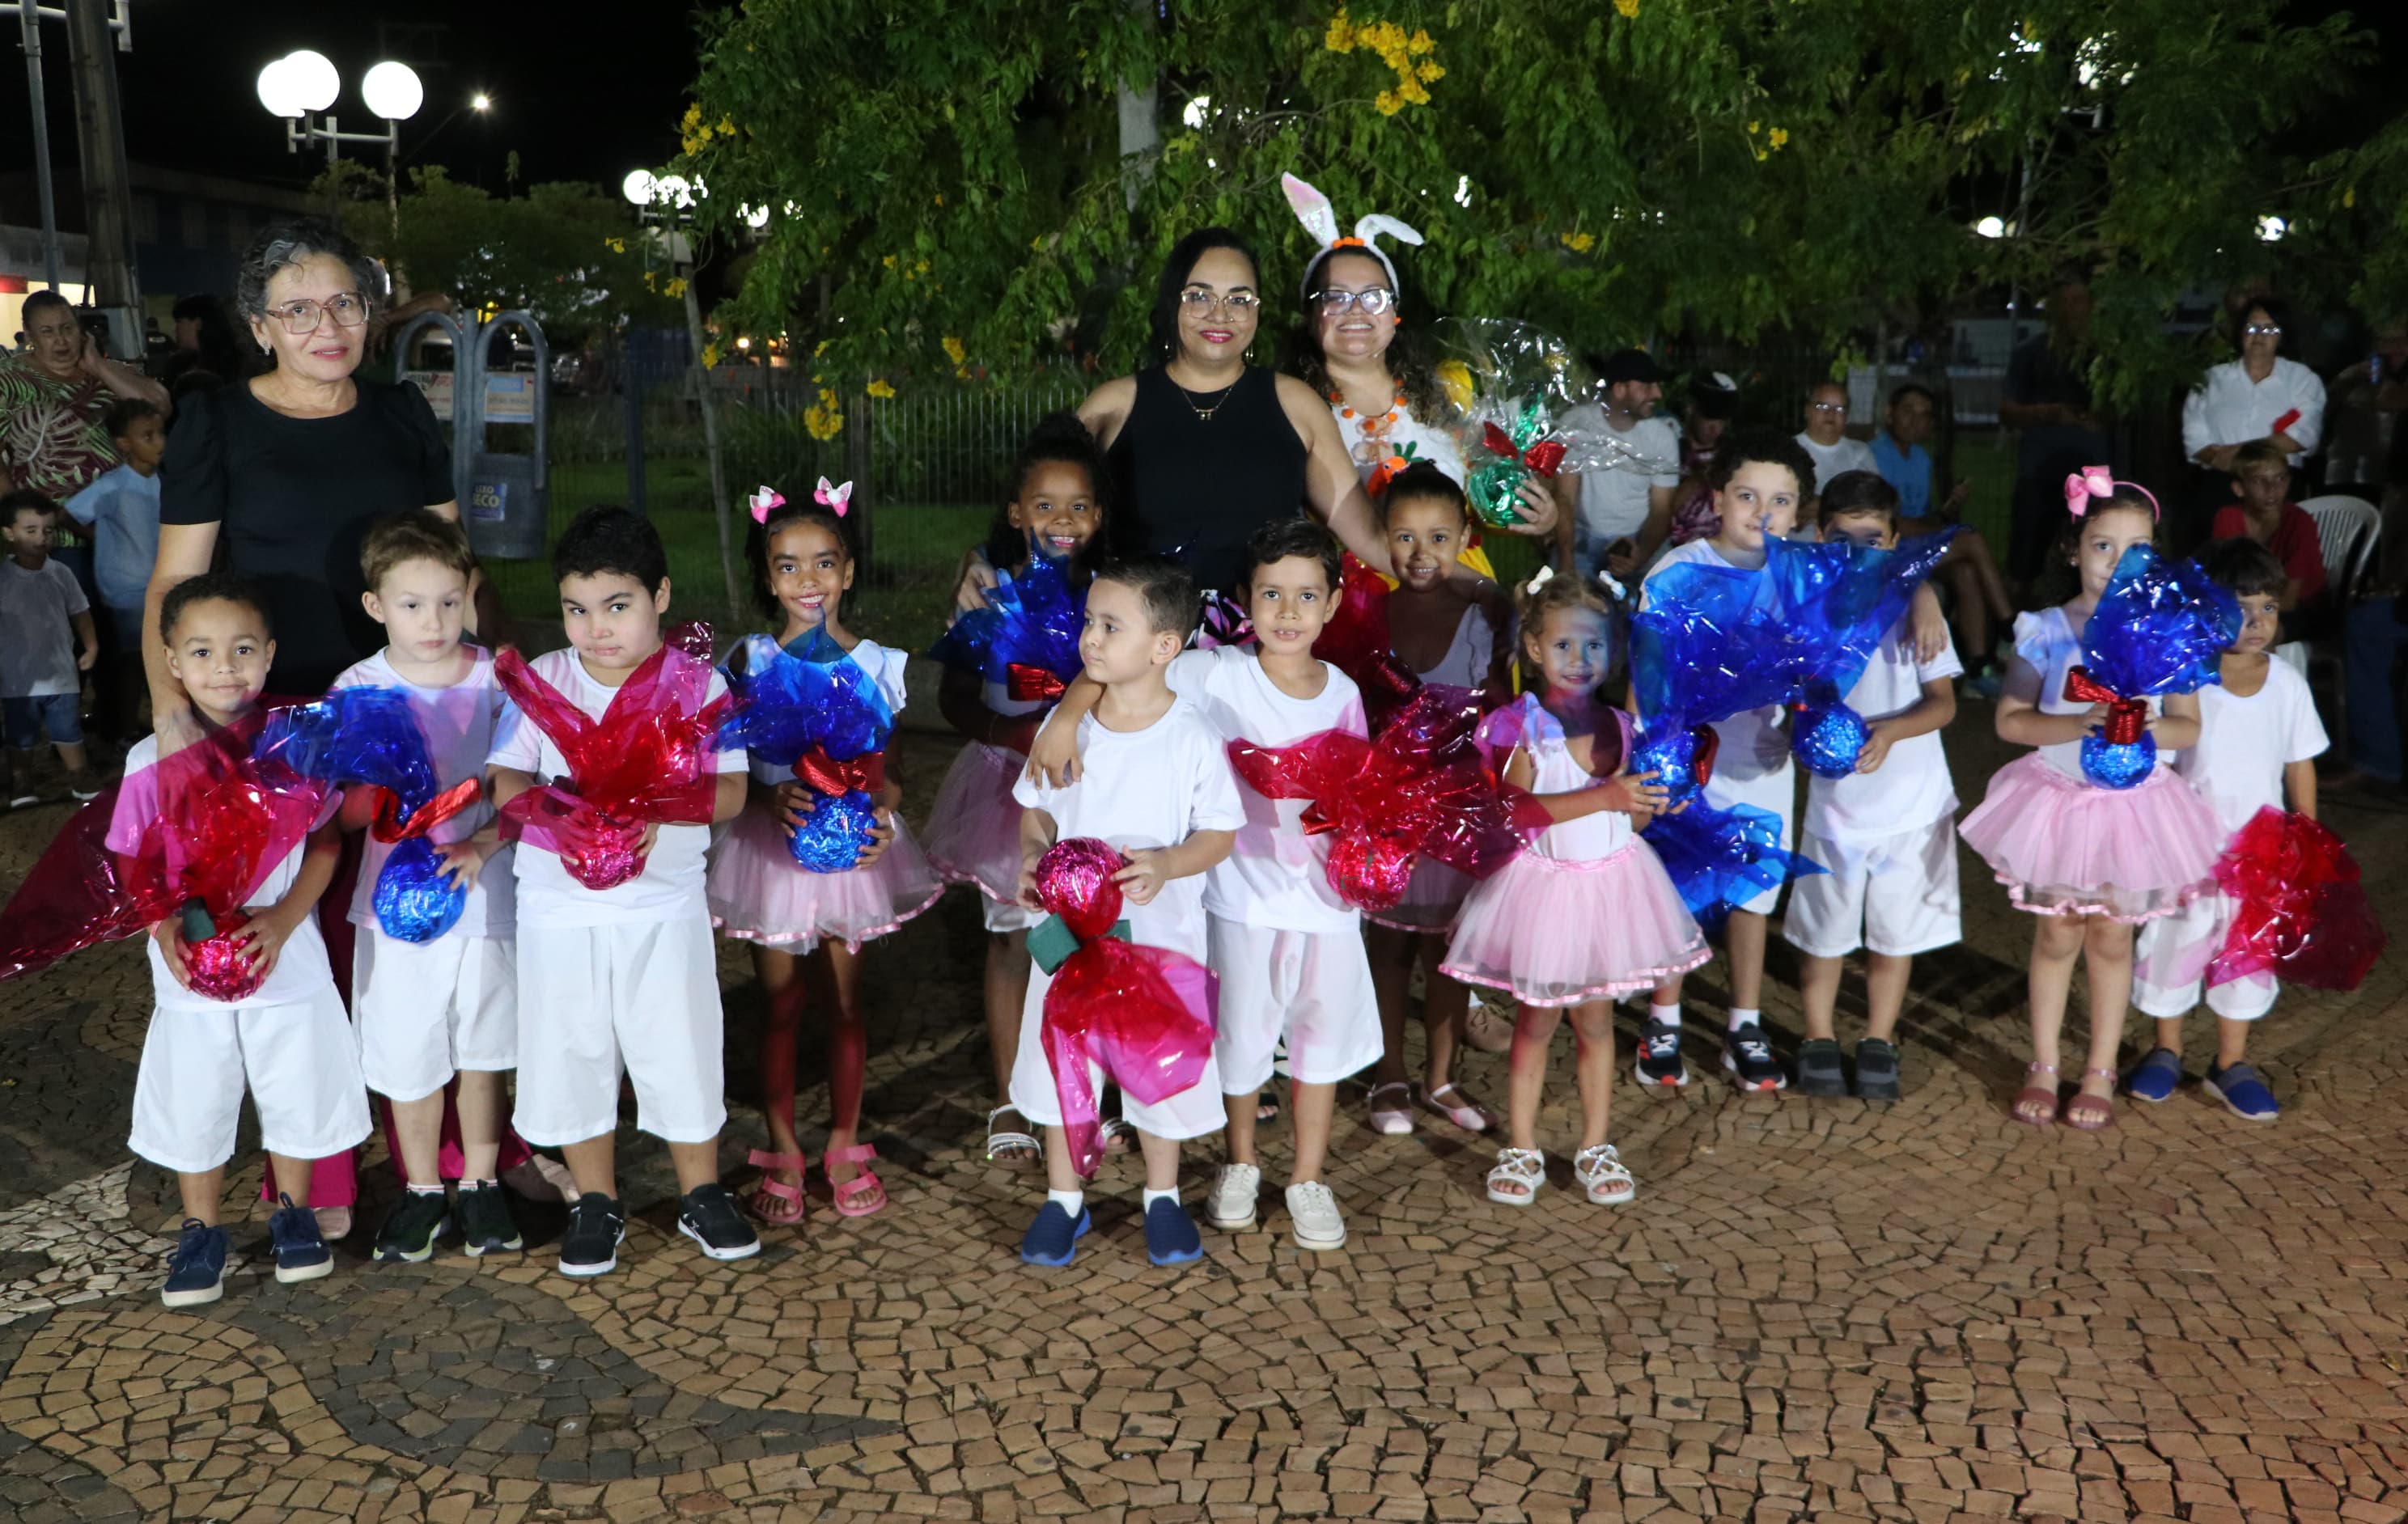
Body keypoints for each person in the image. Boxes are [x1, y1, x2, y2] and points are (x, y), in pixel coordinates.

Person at [957, 225, 1554, 607]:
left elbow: (1376, 543)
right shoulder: (1115, 405)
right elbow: (1039, 507)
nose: (1221, 314)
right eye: (1200, 296)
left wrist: (1493, 597)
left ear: (1258, 311)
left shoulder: (1296, 405)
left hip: (1260, 654)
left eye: (1239, 298)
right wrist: (981, 561)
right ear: (1172, 303)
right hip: (1138, 657)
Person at [485, 506, 760, 1277]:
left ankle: (700, 1192)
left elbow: (733, 791)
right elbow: (505, 777)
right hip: (559, 907)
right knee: (571, 1043)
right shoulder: (546, 679)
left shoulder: (697, 684)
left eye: (617, 606)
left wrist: (654, 812)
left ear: (660, 595)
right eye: (576, 609)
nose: (596, 629)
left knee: (680, 1042)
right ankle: (596, 1201)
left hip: (662, 905)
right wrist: (559, 817)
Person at [118, 573, 369, 1306]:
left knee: (296, 1081)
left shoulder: (295, 748)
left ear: (270, 655)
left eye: (242, 650)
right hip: (191, 959)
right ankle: (200, 1229)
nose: (224, 668)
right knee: (197, 1089)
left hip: (282, 948)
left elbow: (326, 843)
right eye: (202, 652)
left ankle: (293, 1213)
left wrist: (286, 918)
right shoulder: (150, 759)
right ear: (172, 661)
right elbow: (134, 862)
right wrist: (162, 926)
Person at [706, 481, 942, 1226]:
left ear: (848, 571)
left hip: (853, 862)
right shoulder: (749, 660)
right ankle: (781, 1146)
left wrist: (887, 806)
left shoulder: (877, 663)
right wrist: (768, 797)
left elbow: (891, 768)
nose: (807, 580)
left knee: (844, 1002)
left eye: (824, 563)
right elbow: (729, 765)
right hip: (770, 855)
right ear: (767, 576)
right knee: (779, 1003)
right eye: (788, 566)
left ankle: (843, 1139)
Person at [1958, 476, 2223, 1130]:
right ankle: (2045, 1064)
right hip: (2061, 803)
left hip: (2134, 809)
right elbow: (2011, 720)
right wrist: (2079, 724)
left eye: (2137, 549)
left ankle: (2101, 1068)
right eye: (2103, 545)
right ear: (2073, 549)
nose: (2118, 562)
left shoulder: (2168, 630)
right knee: (2057, 932)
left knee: (2111, 936)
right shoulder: (2047, 629)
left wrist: (2144, 725)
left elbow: (2188, 727)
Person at [148, 218, 494, 705]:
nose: (328, 327)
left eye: (344, 304)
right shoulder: (217, 424)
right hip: (275, 709)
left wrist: (510, 651)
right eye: (298, 310)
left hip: (410, 699)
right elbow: (175, 584)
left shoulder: (403, 412)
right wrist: (171, 712)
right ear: (260, 328)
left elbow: (458, 561)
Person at [1443, 568, 1702, 1208]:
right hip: (1549, 896)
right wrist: (1606, 796)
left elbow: (1631, 820)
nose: (1580, 659)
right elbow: (1517, 813)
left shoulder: (1623, 726)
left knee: (1597, 1023)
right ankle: (1521, 1145)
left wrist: (1649, 802)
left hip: (1613, 891)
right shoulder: (1523, 727)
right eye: (1563, 645)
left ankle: (1595, 1144)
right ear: (1534, 648)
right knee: (1536, 1023)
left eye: (1594, 645)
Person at [1008, 557, 1241, 1268]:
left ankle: (1162, 1196)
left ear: (1165, 646)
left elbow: (1220, 832)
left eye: (1111, 626)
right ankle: (1064, 1198)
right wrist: (1032, 855)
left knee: (1154, 1063)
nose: (1091, 638)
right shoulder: (1068, 727)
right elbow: (1036, 811)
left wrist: (1168, 863)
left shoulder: (1192, 736)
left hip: (1158, 941)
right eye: (1090, 621)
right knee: (1064, 1060)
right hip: (1070, 941)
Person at [330, 512, 523, 1264]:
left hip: (486, 896)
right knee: (406, 1046)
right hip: (393, 909)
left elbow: (527, 786)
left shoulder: (497, 678)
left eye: (449, 601)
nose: (433, 622)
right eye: (412, 605)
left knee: (483, 1044)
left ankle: (480, 1181)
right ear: (375, 605)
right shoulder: (359, 688)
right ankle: (419, 1188)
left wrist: (483, 841)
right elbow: (344, 813)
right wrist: (380, 792)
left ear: (469, 593)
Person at [924, 416, 1109, 1166]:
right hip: (1006, 789)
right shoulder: (988, 597)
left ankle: (1083, 1091)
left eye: (1079, 506)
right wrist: (1011, 734)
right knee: (1011, 940)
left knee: (1089, 940)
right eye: (1044, 505)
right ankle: (1009, 1094)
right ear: (1014, 512)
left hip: (1091, 790)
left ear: (1099, 515)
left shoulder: (1109, 596)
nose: (1062, 520)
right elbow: (955, 698)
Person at [1634, 430, 1817, 1092]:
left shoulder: (1802, 581)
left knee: (1752, 895)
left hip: (1763, 760)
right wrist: (1655, 757)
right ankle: (1664, 1018)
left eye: (1779, 501)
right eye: (1747, 496)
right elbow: (1647, 678)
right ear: (1717, 500)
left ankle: (1745, 1024)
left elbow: (1818, 670)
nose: (1762, 513)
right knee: (1679, 890)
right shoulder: (1677, 572)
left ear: (1798, 512)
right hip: (1690, 762)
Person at [2129, 538, 2325, 1121]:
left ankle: (2230, 1061)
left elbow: (2300, 763)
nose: (2257, 622)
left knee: (2248, 950)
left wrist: (2304, 836)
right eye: (2241, 609)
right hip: (2189, 846)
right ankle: (2166, 1049)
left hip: (2259, 850)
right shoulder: (2186, 680)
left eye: (2268, 607)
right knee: (2175, 941)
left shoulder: (2286, 682)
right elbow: (2164, 762)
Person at [1783, 473, 1963, 1101]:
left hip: (1911, 809)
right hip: (1837, 811)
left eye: (1872, 539)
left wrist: (1890, 732)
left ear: (1893, 541)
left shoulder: (1915, 612)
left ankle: (1879, 1037)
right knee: (1825, 933)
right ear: (1819, 535)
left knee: (1895, 934)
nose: (1857, 552)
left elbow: (1944, 703)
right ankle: (1818, 1035)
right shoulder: (1808, 613)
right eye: (1842, 538)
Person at [1360, 464, 1511, 1136]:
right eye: (1405, 538)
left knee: (1450, 948)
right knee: (1389, 947)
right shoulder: (1368, 614)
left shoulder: (1483, 618)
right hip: (1387, 814)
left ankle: (1440, 1077)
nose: (1421, 554)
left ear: (1464, 538)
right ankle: (1389, 1072)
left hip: (1457, 812)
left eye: (1439, 538)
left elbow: (1502, 713)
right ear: (1381, 537)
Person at [1872, 383, 2015, 686]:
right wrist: (1939, 529)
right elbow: (1886, 523)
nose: (1915, 421)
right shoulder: (1874, 455)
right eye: (1908, 411)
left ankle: (1978, 665)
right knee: (1970, 540)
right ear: (1890, 414)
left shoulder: (1921, 459)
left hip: (1914, 545)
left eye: (1924, 415)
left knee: (1965, 570)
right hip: (1886, 551)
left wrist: (1949, 509)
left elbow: (1922, 518)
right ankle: (2010, 628)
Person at [2181, 296, 2325, 547]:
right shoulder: (2212, 379)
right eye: (2252, 327)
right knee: (2216, 557)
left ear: (2282, 335)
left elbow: (2305, 435)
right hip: (2222, 482)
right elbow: (2195, 439)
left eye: (2269, 329)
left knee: (2276, 557)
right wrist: (2218, 458)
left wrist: (2243, 453)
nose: (2259, 336)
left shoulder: (2302, 380)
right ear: (2240, 333)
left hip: (2278, 485)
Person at [0, 289, 170, 502]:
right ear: (28, 333)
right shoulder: (8, 379)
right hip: (50, 513)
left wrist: (98, 366)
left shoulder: (107, 372)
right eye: (47, 332)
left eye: (67, 328)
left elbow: (160, 408)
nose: (61, 340)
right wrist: (16, 508)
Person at [62, 398, 167, 739]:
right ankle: (125, 732)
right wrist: (102, 537)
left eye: (160, 433)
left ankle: (140, 727)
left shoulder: (166, 481)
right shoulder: (113, 485)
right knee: (133, 660)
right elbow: (69, 514)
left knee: (156, 658)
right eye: (148, 436)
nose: (159, 442)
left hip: (161, 582)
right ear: (124, 444)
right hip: (127, 587)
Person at [1, 491, 101, 804]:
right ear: (9, 533)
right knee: (21, 734)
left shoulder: (61, 572)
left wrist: (91, 647)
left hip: (61, 674)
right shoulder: (3, 576)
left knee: (68, 729)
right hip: (18, 679)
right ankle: (22, 781)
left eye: (47, 530)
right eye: (30, 530)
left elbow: (80, 612)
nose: (41, 538)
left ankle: (79, 776)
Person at [1554, 349, 1682, 581]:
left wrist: (1640, 555)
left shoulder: (1662, 436)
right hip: (1584, 538)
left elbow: (1661, 511)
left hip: (1640, 537)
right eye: (1647, 386)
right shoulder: (1577, 424)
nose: (1658, 393)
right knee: (1568, 592)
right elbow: (1565, 499)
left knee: (1665, 585)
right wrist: (1566, 561)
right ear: (1620, 390)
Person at [2211, 441, 2325, 611]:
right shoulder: (2228, 518)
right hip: (2246, 604)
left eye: (2280, 479)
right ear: (2239, 488)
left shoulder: (2300, 522)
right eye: (2259, 481)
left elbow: (2289, 600)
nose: (2272, 489)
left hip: (2299, 609)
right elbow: (2225, 579)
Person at [2321, 320, 2408, 502]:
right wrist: (2346, 381)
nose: (2396, 349)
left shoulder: (2397, 381)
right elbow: (2322, 408)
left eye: (2401, 341)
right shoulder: (2354, 375)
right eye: (2387, 341)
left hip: (2387, 479)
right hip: (2340, 471)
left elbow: (2388, 402)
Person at [1664, 370, 1740, 548]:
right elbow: (1661, 514)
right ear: (1691, 408)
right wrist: (1697, 479)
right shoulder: (1670, 448)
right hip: (1677, 550)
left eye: (1722, 421)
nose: (1716, 429)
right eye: (1710, 419)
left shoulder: (1732, 451)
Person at [1795, 381, 1877, 499]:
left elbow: (1873, 497)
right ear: (1807, 411)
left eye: (1839, 408)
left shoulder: (1860, 452)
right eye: (1823, 406)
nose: (1831, 413)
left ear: (1847, 416)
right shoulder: (1791, 450)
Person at [160, 294, 251, 391]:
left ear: (198, 324)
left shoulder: (234, 365)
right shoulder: (178, 364)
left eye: (179, 322)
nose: (175, 329)